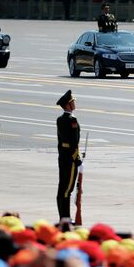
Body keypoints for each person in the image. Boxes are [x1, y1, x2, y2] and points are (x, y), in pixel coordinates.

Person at [55, 89, 82, 226]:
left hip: (63, 158)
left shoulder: (60, 119)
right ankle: (66, 218)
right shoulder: (72, 120)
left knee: (62, 188)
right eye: (72, 102)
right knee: (67, 190)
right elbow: (73, 142)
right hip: (70, 159)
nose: (74, 103)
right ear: (67, 105)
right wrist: (77, 159)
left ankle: (63, 217)